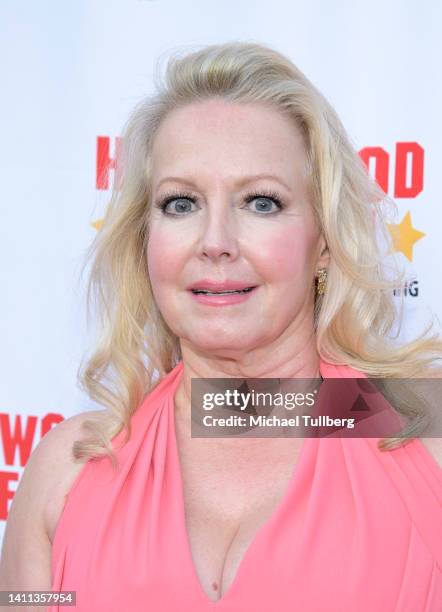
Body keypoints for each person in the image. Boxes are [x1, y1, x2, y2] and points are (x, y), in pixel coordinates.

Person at [0, 41, 441, 612]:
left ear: (325, 242)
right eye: (180, 204)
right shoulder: (66, 473)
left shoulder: (425, 448)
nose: (215, 243)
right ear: (145, 240)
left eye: (261, 202)